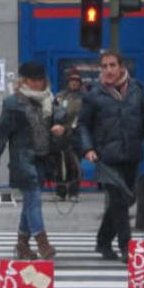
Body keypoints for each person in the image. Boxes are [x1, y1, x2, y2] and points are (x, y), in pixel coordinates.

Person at [78, 50, 144, 263]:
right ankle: (127, 247)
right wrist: (88, 148)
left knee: (125, 200)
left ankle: (103, 240)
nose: (108, 70)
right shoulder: (94, 94)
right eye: (104, 66)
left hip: (132, 154)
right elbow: (82, 125)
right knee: (119, 200)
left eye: (112, 65)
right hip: (106, 157)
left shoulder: (136, 90)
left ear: (122, 67)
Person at [0, 61, 66, 260]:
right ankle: (42, 242)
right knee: (34, 200)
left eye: (41, 79)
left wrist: (61, 128)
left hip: (44, 158)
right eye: (33, 80)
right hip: (23, 160)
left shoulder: (50, 100)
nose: (38, 83)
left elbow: (60, 124)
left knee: (30, 202)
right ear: (24, 81)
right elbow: (0, 134)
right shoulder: (13, 103)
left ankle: (22, 245)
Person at [53, 71, 85, 202]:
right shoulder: (60, 96)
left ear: (79, 84)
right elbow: (52, 113)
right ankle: (60, 193)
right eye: (71, 81)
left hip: (76, 136)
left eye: (76, 81)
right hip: (60, 137)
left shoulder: (84, 98)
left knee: (74, 165)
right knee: (59, 166)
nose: (73, 83)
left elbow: (85, 117)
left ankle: (73, 193)